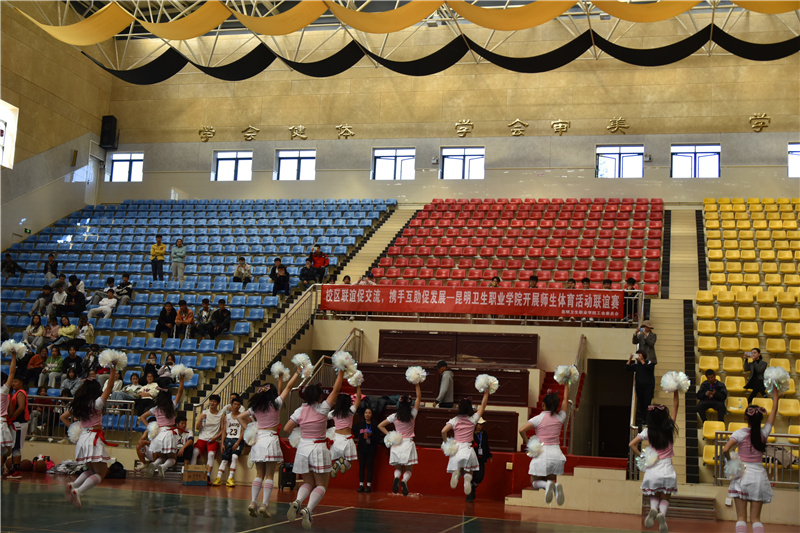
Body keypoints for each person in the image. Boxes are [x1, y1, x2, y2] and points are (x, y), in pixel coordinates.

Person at [284, 368, 345, 529]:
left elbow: (287, 428)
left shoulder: (299, 410)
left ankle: (298, 501)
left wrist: (302, 431)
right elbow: (336, 390)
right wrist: (341, 371)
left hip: (303, 448)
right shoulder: (323, 408)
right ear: (319, 396)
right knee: (321, 485)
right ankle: (308, 509)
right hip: (318, 447)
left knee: (308, 482)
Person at [237, 369, 300, 518]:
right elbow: (289, 387)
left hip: (258, 439)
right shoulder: (276, 404)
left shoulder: (255, 407)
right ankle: (264, 505)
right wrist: (297, 372)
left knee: (259, 474)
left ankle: (253, 502)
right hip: (271, 439)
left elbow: (239, 417)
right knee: (270, 475)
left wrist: (250, 429)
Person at [59, 366, 118, 508]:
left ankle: (73, 485)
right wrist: (113, 369)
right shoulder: (96, 404)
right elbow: (109, 387)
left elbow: (63, 417)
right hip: (93, 439)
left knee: (92, 470)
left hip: (82, 438)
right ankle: (78, 491)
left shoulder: (77, 405)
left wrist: (73, 428)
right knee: (101, 473)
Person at [722, 387, 779, 533]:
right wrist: (776, 394)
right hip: (758, 477)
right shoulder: (764, 433)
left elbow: (725, 449)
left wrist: (731, 461)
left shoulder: (739, 433)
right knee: (756, 519)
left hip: (742, 476)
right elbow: (774, 411)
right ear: (760, 419)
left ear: (746, 418)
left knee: (741, 517)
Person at [629, 391, 680, 533]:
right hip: (667, 469)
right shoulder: (669, 428)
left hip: (653, 470)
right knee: (665, 496)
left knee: (654, 494)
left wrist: (643, 456)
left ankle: (653, 509)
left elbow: (631, 444)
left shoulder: (647, 432)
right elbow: (676, 406)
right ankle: (662, 514)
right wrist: (676, 391)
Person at [519, 383, 570, 506]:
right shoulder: (560, 418)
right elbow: (565, 401)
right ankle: (554, 487)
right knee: (550, 478)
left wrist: (528, 442)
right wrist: (567, 384)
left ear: (543, 405)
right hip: (557, 455)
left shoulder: (538, 418)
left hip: (542, 454)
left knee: (534, 481)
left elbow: (521, 430)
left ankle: (547, 486)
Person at [441, 388, 490, 497]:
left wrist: (446, 443)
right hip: (468, 448)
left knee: (459, 468)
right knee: (469, 471)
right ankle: (467, 479)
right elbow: (483, 405)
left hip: (456, 449)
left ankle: (456, 474)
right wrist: (486, 392)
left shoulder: (454, 420)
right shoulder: (473, 419)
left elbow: (443, 431)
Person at [137, 374, 186, 479]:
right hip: (169, 433)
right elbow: (180, 392)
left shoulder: (155, 408)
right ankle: (163, 467)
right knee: (173, 457)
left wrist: (150, 427)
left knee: (162, 456)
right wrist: (181, 380)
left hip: (158, 434)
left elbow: (142, 417)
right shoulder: (172, 406)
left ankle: (155, 464)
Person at [378, 381, 421, 496]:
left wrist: (390, 435)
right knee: (409, 469)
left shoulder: (394, 416)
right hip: (408, 444)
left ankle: (397, 477)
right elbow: (418, 398)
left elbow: (380, 426)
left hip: (396, 444)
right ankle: (404, 480)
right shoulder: (413, 415)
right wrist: (417, 384)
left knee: (398, 468)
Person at [329, 383, 363, 478]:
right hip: (347, 439)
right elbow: (358, 398)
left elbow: (322, 418)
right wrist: (358, 386)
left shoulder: (333, 413)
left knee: (336, 458)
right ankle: (340, 463)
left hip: (336, 439)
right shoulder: (351, 411)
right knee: (349, 463)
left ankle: (337, 463)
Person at [192, 393, 224, 484]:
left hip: (213, 439)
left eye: (214, 401)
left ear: (218, 403)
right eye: (211, 401)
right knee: (195, 452)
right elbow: (197, 428)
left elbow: (223, 430)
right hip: (202, 438)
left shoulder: (221, 414)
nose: (212, 403)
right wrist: (200, 419)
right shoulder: (204, 412)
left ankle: (208, 476)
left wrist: (215, 438)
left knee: (211, 454)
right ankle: (191, 473)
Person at [213, 396, 244, 487]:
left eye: (238, 405)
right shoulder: (227, 416)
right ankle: (218, 478)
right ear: (231, 405)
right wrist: (222, 443)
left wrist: (237, 443)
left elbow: (243, 431)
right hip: (228, 439)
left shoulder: (242, 416)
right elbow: (224, 431)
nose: (236, 406)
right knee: (224, 459)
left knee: (234, 456)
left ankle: (230, 478)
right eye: (235, 404)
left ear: (240, 406)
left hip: (237, 439)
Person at [625, 350, 656, 428]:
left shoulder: (649, 363)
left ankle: (648, 420)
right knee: (641, 404)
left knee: (647, 403)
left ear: (643, 355)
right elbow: (626, 368)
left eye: (640, 354)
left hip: (648, 387)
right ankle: (643, 420)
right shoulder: (636, 365)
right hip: (639, 387)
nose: (638, 355)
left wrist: (642, 361)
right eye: (637, 354)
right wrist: (630, 359)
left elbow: (648, 368)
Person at [7, 375, 29, 479]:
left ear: (21, 382)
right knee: (14, 446)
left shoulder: (20, 393)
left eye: (15, 381)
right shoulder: (15, 393)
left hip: (19, 423)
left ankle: (16, 471)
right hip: (16, 423)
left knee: (16, 447)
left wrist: (12, 417)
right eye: (12, 382)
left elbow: (21, 408)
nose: (13, 384)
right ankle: (13, 468)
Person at [354, 407, 378, 493]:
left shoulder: (375, 425)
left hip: (371, 448)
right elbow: (354, 432)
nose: (367, 414)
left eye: (369, 413)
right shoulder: (360, 424)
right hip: (361, 448)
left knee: (370, 467)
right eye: (366, 413)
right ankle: (361, 485)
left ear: (372, 415)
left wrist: (371, 435)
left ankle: (368, 485)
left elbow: (378, 437)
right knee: (361, 467)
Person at [1, 356, 18, 472]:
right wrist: (13, 356)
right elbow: (12, 372)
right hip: (1, 424)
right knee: (7, 450)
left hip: (3, 423)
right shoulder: (3, 391)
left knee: (6, 450)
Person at [468, 417, 492, 502]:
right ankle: (470, 494)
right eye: (480, 424)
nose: (482, 426)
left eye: (483, 424)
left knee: (480, 476)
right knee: (472, 475)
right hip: (472, 457)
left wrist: (489, 455)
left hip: (481, 458)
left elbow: (486, 445)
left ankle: (472, 488)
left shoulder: (484, 433)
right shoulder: (471, 433)